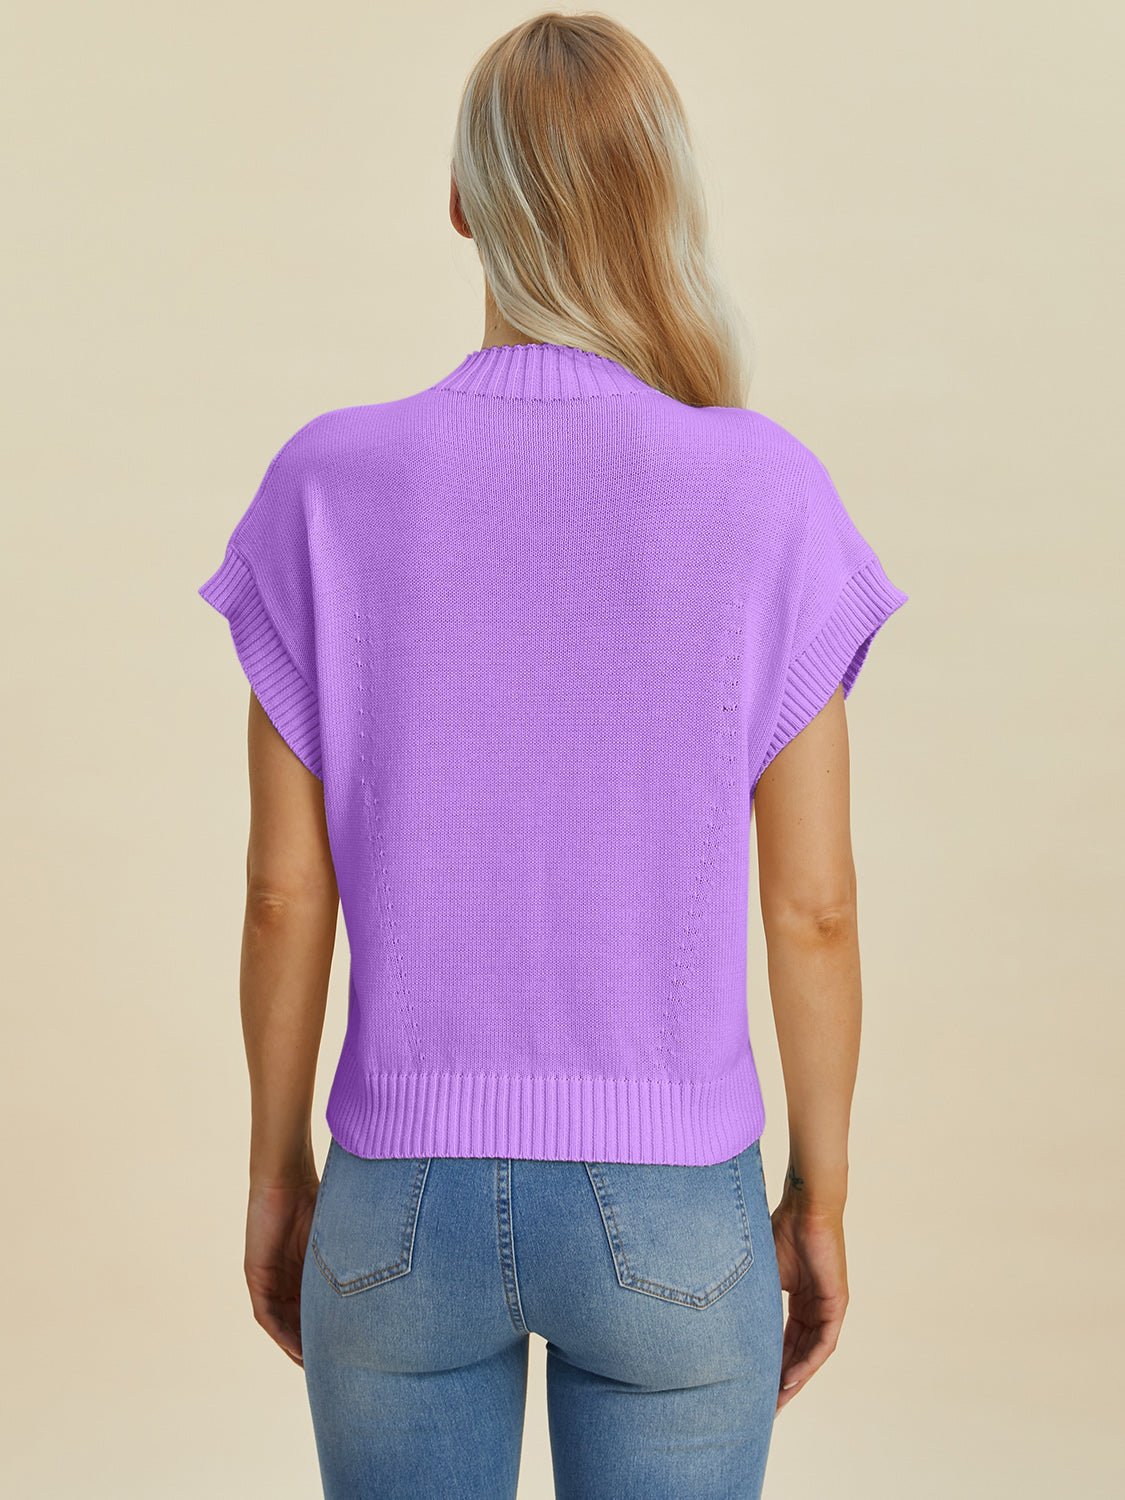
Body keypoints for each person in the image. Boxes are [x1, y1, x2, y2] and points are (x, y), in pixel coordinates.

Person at [196, 13, 909, 1499]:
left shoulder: (327, 484)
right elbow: (814, 910)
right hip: (676, 1204)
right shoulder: (764, 493)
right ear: (662, 194)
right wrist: (820, 1197)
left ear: (463, 201)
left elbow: (281, 898)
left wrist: (274, 1177)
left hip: (398, 1200)